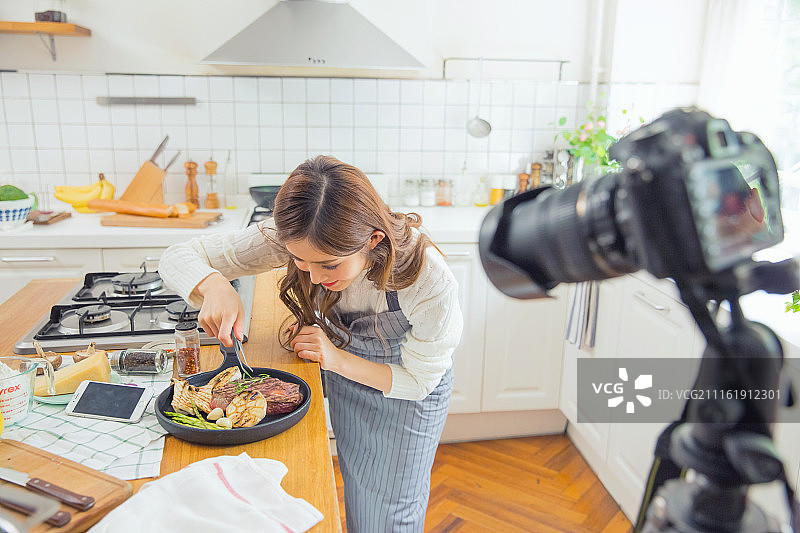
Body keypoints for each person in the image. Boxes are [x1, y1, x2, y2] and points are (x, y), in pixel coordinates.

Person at [159, 155, 463, 532]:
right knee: (357, 486)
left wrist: (335, 358)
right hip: (346, 378)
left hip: (406, 396)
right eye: (300, 261)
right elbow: (175, 256)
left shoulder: (427, 278)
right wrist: (215, 285)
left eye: (330, 265)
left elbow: (418, 381)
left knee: (391, 512)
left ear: (373, 240)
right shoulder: (302, 233)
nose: (315, 276)